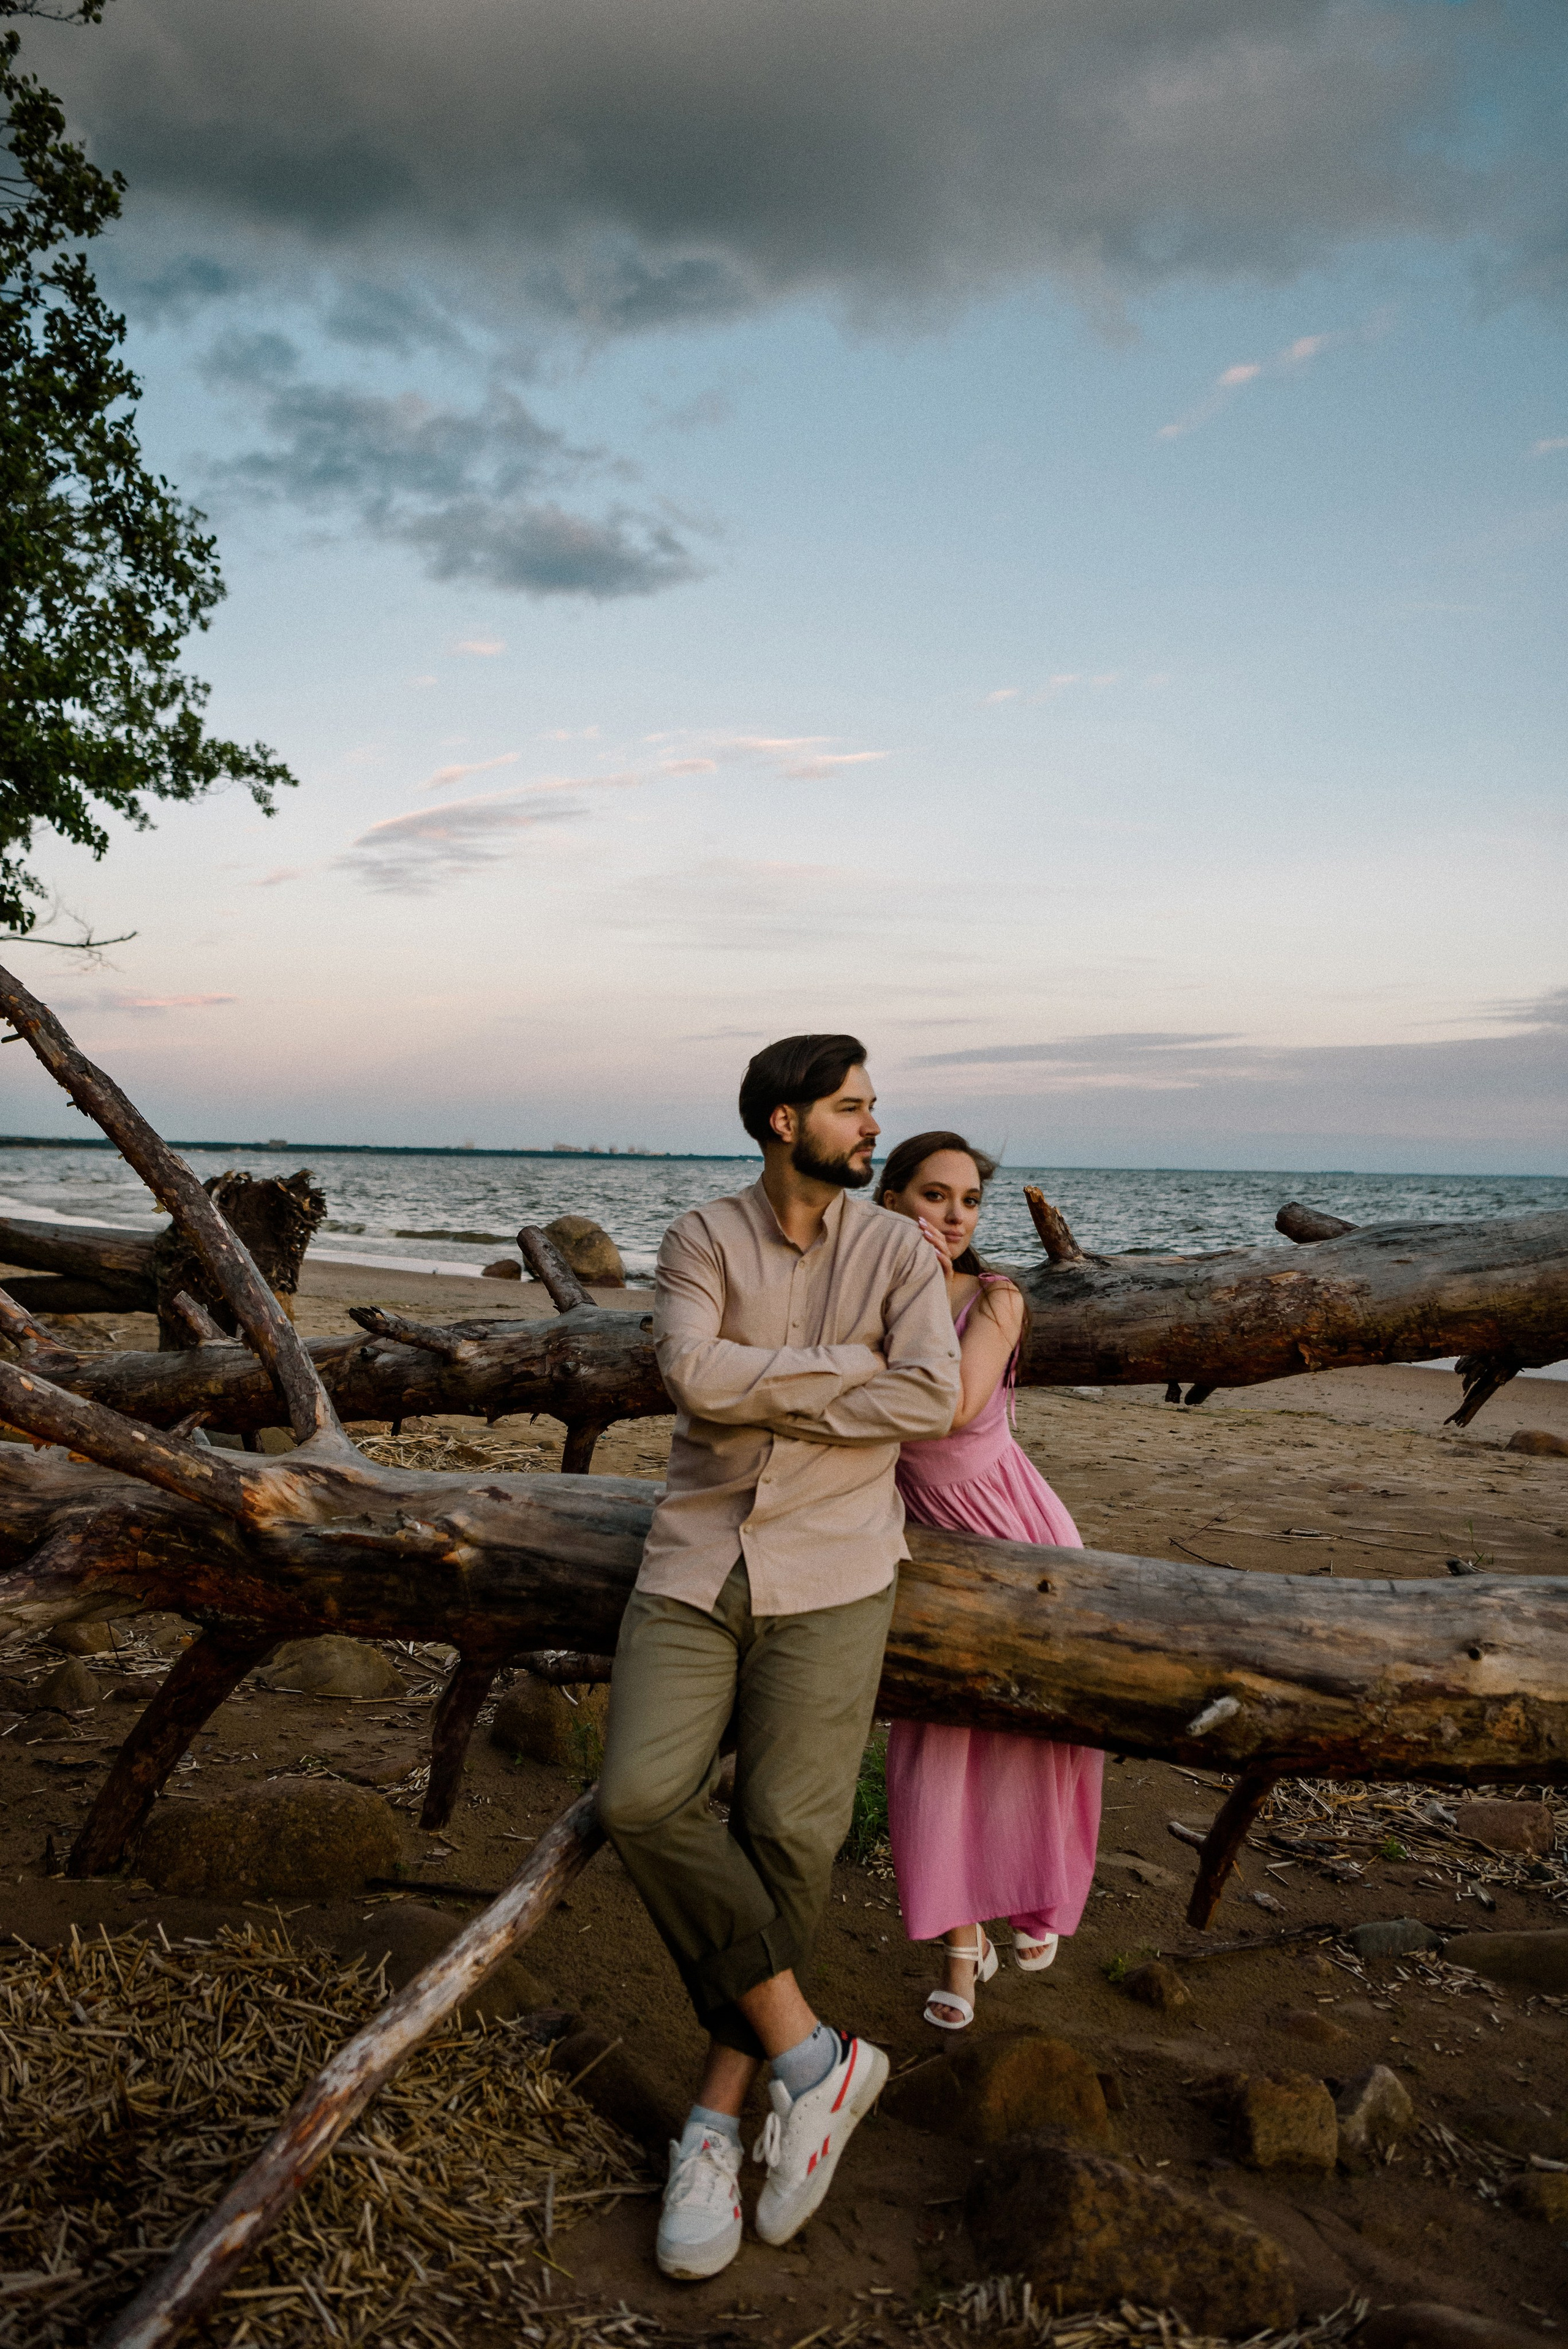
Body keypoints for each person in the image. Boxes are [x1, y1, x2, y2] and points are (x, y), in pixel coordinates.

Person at [597, 1036, 962, 2280]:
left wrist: (771, 1386)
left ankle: (714, 2119)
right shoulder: (701, 1236)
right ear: (781, 1119)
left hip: (837, 1574)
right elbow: (689, 1377)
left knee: (788, 1839)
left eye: (873, 1107)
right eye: (853, 1109)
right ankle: (814, 2058)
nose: (874, 1127)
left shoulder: (899, 1249)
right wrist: (840, 1372)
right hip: (696, 1562)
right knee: (642, 1795)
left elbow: (928, 1394)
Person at [876, 1131, 1102, 2030]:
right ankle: (961, 1957)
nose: (954, 1215)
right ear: (890, 1198)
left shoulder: (996, 1298)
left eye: (968, 1201)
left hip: (1018, 1531)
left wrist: (920, 1289)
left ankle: (1039, 1894)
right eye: (935, 1196)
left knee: (1033, 1733)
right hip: (926, 1543)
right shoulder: (859, 1294)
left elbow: (953, 1407)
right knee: (936, 1747)